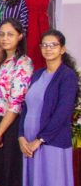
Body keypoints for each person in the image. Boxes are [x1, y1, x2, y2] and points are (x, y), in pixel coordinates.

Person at [19, 29, 78, 186]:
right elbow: (26, 107)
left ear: (62, 49)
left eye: (53, 45)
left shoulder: (67, 76)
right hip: (29, 141)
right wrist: (21, 136)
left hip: (52, 140)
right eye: (44, 45)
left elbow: (63, 112)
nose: (48, 48)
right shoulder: (37, 75)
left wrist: (40, 139)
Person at [0, 19, 33, 186]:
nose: (5, 38)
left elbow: (15, 104)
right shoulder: (2, 63)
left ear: (20, 36)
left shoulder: (23, 63)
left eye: (10, 34)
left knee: (11, 176)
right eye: (2, 34)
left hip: (12, 124)